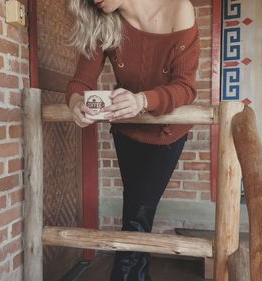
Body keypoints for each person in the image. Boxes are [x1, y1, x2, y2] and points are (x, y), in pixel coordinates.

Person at [65, 0, 200, 280]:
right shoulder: (104, 21)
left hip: (168, 133)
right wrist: (76, 103)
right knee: (137, 213)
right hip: (127, 132)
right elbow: (81, 81)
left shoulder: (179, 8)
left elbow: (185, 86)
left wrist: (142, 100)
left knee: (138, 214)